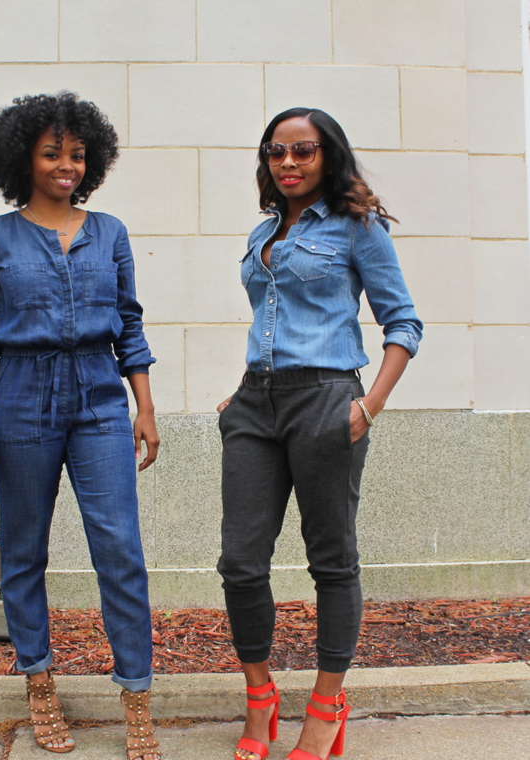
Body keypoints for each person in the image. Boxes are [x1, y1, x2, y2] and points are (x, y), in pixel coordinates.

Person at [0, 92, 161, 760]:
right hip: (21, 398)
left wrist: (144, 407)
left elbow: (129, 325)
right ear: (23, 159)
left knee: (120, 550)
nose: (66, 166)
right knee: (24, 552)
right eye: (52, 154)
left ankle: (136, 696)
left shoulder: (111, 232)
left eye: (76, 154)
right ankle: (39, 683)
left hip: (100, 398)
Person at [217, 107, 423, 760]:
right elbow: (272, 316)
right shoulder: (263, 231)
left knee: (331, 560)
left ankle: (328, 703)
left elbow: (404, 323)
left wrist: (370, 406)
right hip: (256, 404)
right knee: (240, 562)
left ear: (328, 155)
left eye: (302, 150)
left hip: (327, 400)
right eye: (276, 151)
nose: (288, 162)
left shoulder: (359, 228)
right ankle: (259, 696)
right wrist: (243, 391)